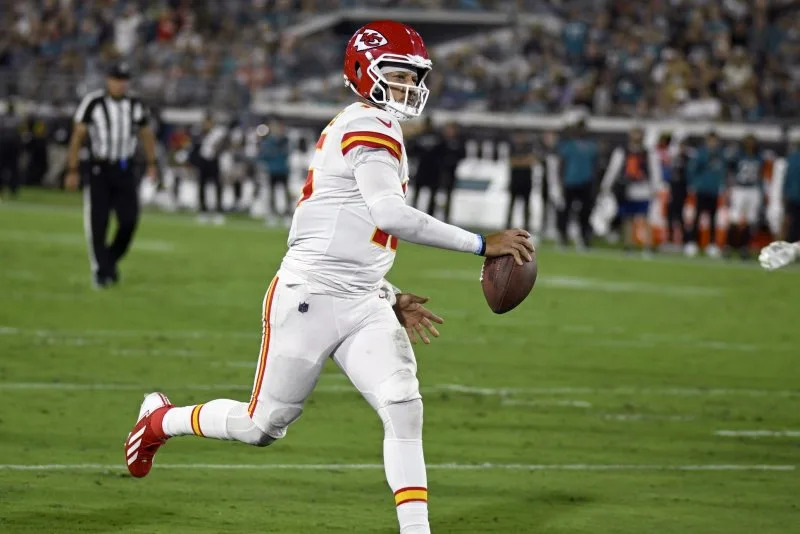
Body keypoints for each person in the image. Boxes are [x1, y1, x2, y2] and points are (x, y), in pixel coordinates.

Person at [123, 21, 533, 534]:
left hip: (363, 299)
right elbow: (389, 215)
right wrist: (480, 243)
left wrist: (386, 292)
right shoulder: (368, 124)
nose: (410, 86)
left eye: (415, 76)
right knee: (262, 427)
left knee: (404, 407)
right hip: (309, 296)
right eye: (398, 74)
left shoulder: (381, 124)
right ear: (364, 72)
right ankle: (160, 420)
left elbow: (353, 229)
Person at [65, 62, 157, 288]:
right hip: (99, 169)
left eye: (124, 79)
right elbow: (78, 136)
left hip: (125, 169)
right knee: (99, 222)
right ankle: (102, 272)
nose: (121, 84)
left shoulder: (135, 105)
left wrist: (152, 162)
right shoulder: (93, 102)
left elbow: (146, 134)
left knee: (129, 220)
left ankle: (108, 261)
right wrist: (72, 169)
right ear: (108, 80)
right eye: (117, 79)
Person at [600, 127, 663, 254]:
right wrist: (606, 184)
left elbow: (655, 170)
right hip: (627, 188)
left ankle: (648, 246)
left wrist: (656, 187)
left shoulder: (648, 153)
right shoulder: (622, 152)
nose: (636, 136)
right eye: (634, 133)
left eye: (639, 133)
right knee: (627, 218)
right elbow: (613, 169)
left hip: (643, 188)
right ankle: (629, 245)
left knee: (645, 217)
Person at [552, 120, 599, 248]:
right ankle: (563, 238)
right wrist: (560, 182)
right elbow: (561, 165)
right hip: (570, 182)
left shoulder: (592, 146)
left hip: (586, 183)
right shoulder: (568, 145)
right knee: (565, 211)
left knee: (585, 213)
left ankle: (584, 238)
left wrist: (595, 184)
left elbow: (595, 167)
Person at [684, 131, 727, 258]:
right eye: (710, 140)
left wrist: (721, 185)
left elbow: (722, 172)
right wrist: (694, 184)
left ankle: (712, 244)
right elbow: (692, 169)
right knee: (697, 216)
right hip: (702, 189)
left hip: (714, 190)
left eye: (714, 140)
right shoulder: (701, 153)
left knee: (713, 218)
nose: (712, 143)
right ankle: (693, 242)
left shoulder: (720, 155)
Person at [726, 135, 763, 259]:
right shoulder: (738, 156)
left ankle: (744, 247)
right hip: (740, 188)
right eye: (748, 142)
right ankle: (729, 246)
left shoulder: (759, 156)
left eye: (752, 142)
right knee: (735, 218)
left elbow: (761, 174)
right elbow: (729, 168)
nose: (750, 145)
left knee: (750, 219)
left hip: (753, 189)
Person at [194, 114, 227, 223]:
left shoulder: (218, 133)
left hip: (214, 161)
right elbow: (196, 147)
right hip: (203, 161)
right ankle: (203, 210)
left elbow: (223, 145)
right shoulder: (199, 132)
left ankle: (218, 211)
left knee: (217, 186)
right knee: (202, 186)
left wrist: (216, 152)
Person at [258, 119, 292, 219]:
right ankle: (273, 210)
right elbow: (263, 156)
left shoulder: (285, 141)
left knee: (285, 191)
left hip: (283, 169)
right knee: (272, 192)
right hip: (273, 170)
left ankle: (287, 210)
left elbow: (288, 152)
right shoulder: (268, 142)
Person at [408, 116, 440, 215]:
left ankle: (430, 214)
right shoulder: (420, 136)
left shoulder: (436, 137)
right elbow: (411, 150)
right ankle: (414, 212)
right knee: (417, 192)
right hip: (422, 168)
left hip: (432, 169)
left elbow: (442, 152)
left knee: (431, 195)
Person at [506, 131, 536, 230]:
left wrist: (519, 161)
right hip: (515, 181)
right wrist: (524, 161)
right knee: (511, 204)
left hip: (526, 182)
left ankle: (527, 225)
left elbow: (531, 161)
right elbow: (512, 162)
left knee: (527, 205)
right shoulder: (512, 148)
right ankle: (508, 225)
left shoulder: (529, 148)